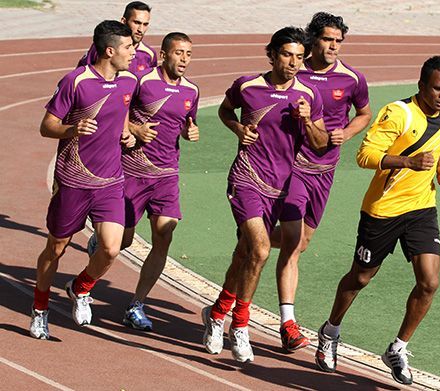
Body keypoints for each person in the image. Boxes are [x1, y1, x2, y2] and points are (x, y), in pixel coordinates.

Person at [314, 56, 440, 385]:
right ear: (421, 85)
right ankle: (331, 329)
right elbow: (365, 155)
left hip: (421, 207)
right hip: (383, 210)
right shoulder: (399, 113)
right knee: (361, 278)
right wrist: (408, 161)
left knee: (430, 282)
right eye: (437, 88)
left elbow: (435, 148)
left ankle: (398, 347)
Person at [200, 27, 328, 362]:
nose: (294, 63)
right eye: (287, 55)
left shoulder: (309, 96)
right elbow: (225, 111)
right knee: (259, 249)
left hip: (280, 188)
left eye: (300, 57)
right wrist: (238, 129)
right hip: (245, 178)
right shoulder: (248, 86)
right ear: (271, 54)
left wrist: (308, 121)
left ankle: (216, 314)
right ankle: (240, 327)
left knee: (245, 254)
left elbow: (319, 144)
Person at [268, 11, 371, 352]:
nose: (333, 46)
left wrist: (348, 132)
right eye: (328, 39)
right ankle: (288, 323)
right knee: (295, 242)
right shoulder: (297, 73)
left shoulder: (351, 79)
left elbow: (364, 114)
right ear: (313, 39)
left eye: (338, 41)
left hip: (325, 171)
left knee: (302, 241)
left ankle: (256, 237)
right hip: (294, 167)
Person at [29, 20, 137, 340]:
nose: (134, 53)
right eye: (129, 47)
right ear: (109, 50)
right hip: (74, 179)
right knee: (57, 247)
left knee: (111, 248)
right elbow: (47, 126)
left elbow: (124, 111)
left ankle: (80, 287)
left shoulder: (129, 81)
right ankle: (40, 310)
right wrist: (72, 129)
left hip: (110, 182)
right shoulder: (76, 82)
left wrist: (127, 132)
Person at [86, 32, 199, 331]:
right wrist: (134, 130)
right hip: (133, 171)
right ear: (164, 55)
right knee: (121, 241)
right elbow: (118, 111)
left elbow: (188, 122)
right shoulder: (141, 81)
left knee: (164, 236)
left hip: (166, 176)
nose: (184, 59)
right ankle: (92, 265)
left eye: (189, 53)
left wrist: (191, 132)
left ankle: (137, 304)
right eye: (179, 53)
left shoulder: (192, 91)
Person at [77, 1, 157, 73]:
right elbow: (82, 75)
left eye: (145, 24)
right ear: (123, 21)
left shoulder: (150, 54)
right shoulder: (105, 46)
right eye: (137, 23)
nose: (141, 29)